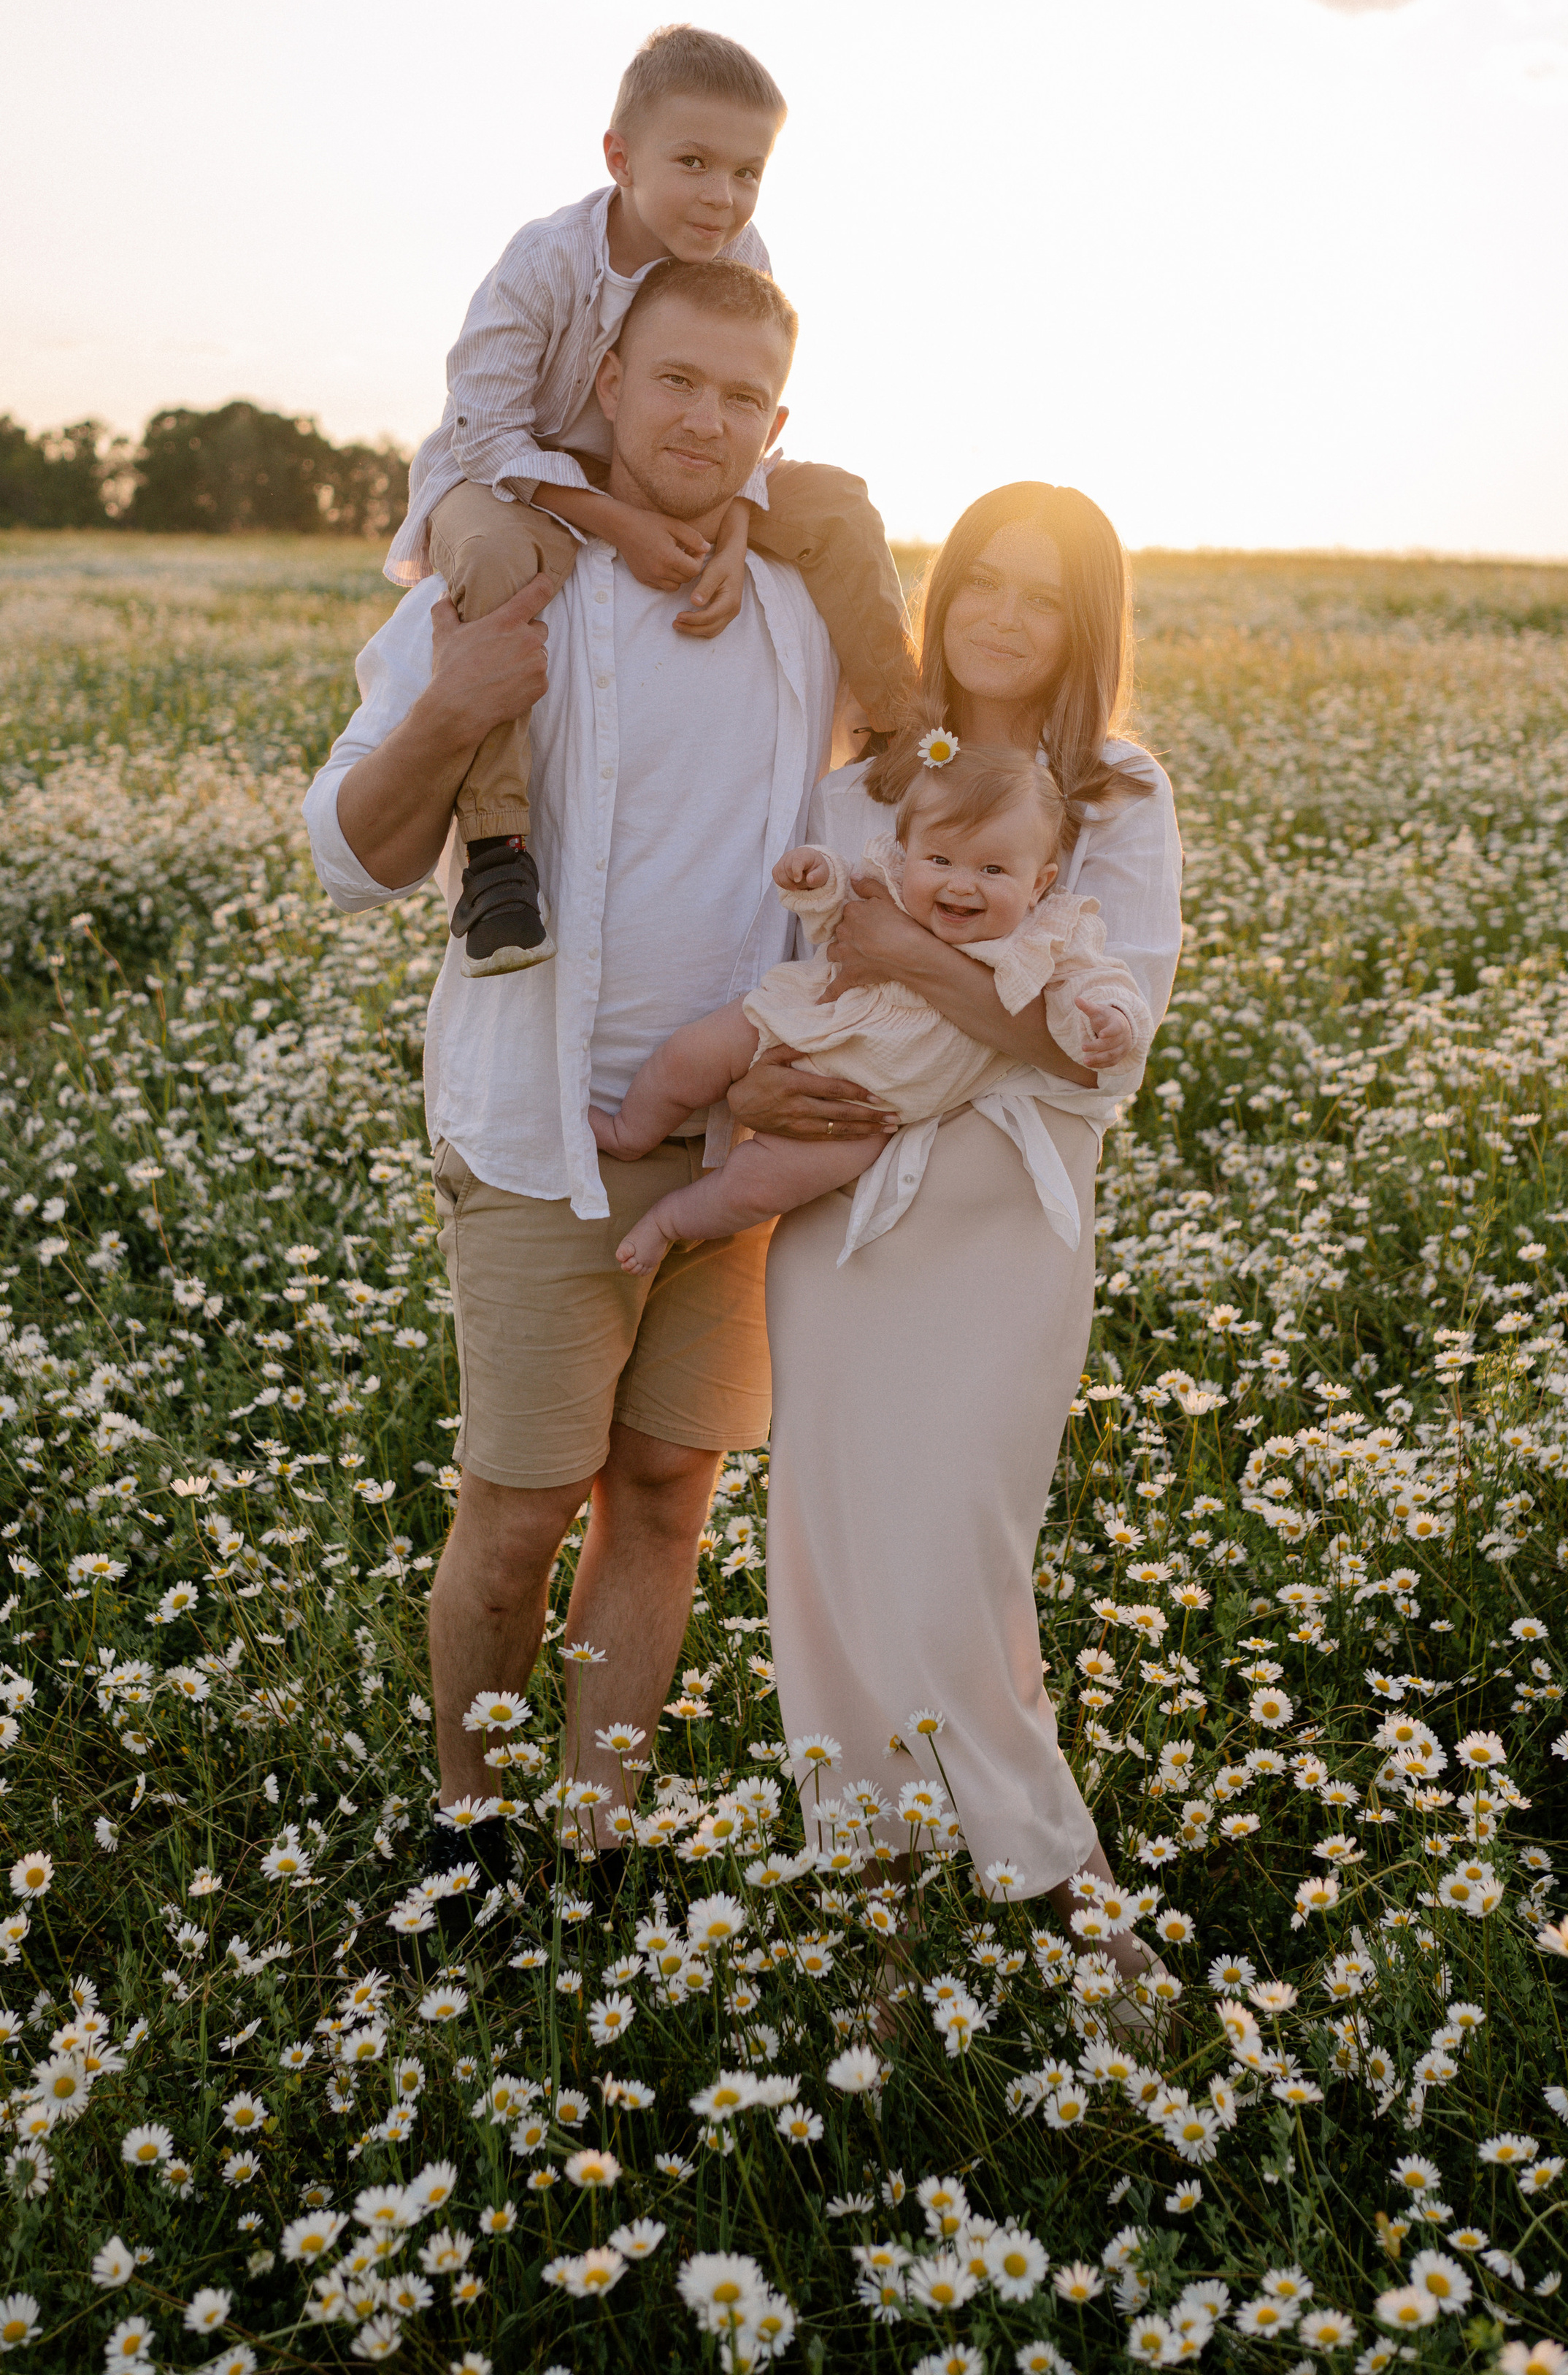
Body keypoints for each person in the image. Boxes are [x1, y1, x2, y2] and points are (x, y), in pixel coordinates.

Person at [301, 255, 842, 1903]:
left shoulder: (800, 603)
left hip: (731, 1142)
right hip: (539, 1136)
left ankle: (601, 1840)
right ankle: (470, 1835)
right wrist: (448, 709)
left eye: (740, 397)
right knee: (523, 1505)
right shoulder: (503, 575)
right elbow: (349, 856)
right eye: (675, 380)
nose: (705, 420)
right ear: (603, 380)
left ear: (776, 424)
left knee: (669, 1491)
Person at [734, 483, 1184, 1989]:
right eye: (978, 580)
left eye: (1040, 594)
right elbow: (813, 973)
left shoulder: (1120, 795)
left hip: (1002, 1219)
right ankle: (881, 1892)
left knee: (952, 1559)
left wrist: (901, 952)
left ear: (1083, 625)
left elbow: (1090, 1051)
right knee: (831, 1552)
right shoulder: (866, 783)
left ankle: (1071, 1892)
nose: (1000, 614)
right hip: (845, 1209)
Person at [384, 22, 915, 975]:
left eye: (748, 172)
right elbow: (485, 430)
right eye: (695, 163)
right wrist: (619, 523)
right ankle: (500, 855)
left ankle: (910, 744)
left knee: (837, 507)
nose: (723, 197)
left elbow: (743, 393)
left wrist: (732, 526)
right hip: (506, 477)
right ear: (620, 158)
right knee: (507, 566)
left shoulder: (742, 253)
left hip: (671, 475)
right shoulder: (548, 260)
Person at [593, 743, 1150, 1277]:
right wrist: (815, 874)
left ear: (1040, 884)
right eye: (940, 859)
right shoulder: (893, 885)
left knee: (758, 1188)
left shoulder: (1049, 935)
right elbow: (840, 898)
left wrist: (1115, 1019)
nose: (961, 884)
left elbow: (1103, 981)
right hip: (799, 1017)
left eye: (993, 871)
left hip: (866, 1110)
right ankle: (629, 1131)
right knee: (689, 1056)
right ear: (907, 854)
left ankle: (669, 1221)